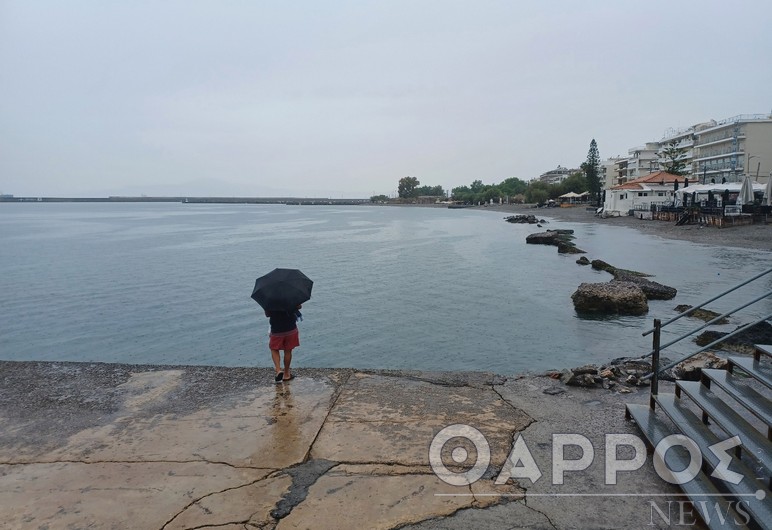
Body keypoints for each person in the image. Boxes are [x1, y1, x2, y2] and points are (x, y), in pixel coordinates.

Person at [265, 305, 301, 383]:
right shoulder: (291, 294)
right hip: (291, 327)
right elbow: (299, 306)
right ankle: (287, 374)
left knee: (274, 349)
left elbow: (267, 314)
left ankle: (278, 370)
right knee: (288, 351)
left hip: (276, 329)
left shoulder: (270, 298)